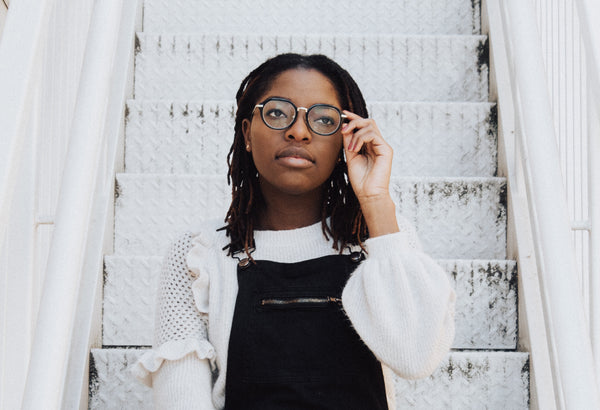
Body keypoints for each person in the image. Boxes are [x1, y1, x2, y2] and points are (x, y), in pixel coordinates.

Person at [134, 53, 456, 409]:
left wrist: (377, 201)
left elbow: (416, 358)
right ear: (246, 133)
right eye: (276, 113)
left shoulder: (383, 242)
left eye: (323, 119)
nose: (298, 131)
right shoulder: (198, 253)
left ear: (345, 141)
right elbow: (182, 399)